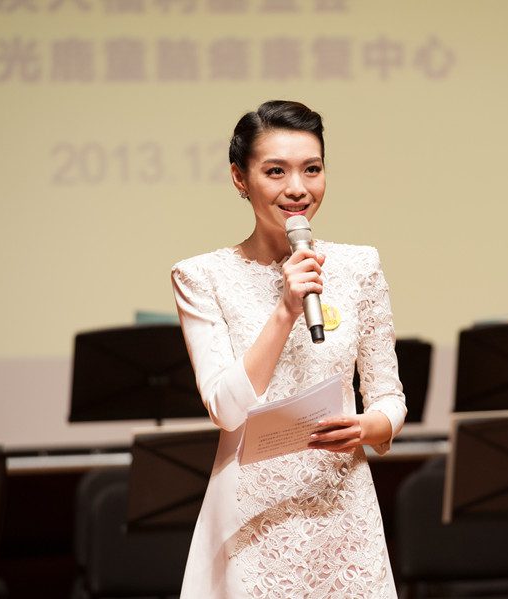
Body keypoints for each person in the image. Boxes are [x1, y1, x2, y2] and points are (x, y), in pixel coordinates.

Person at [171, 100, 407, 598]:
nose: (297, 188)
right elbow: (226, 408)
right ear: (240, 178)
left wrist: (367, 427)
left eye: (312, 169)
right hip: (253, 520)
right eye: (275, 171)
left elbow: (390, 398)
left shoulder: (360, 267)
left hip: (344, 511)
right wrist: (284, 310)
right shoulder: (202, 277)